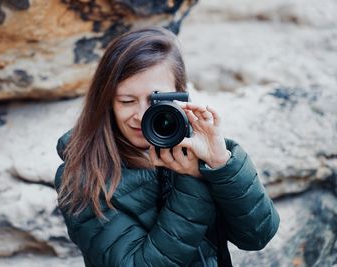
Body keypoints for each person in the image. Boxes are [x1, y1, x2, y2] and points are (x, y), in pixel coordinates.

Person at [54, 27, 279, 267]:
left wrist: (222, 164)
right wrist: (193, 181)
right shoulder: (83, 172)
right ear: (107, 102)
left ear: (181, 94)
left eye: (155, 100)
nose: (141, 115)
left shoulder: (200, 149)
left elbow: (258, 236)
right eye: (127, 101)